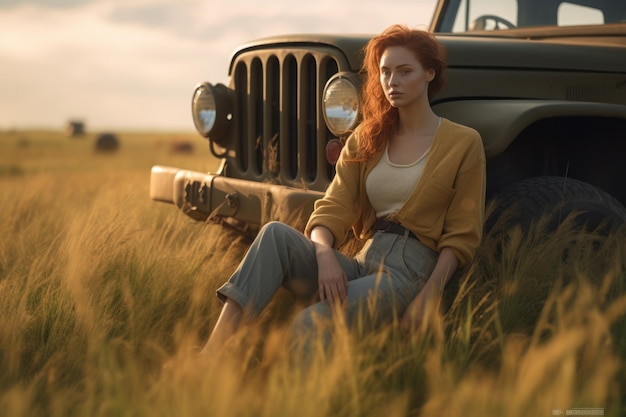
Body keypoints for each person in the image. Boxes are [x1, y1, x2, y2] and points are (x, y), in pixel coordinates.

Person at [200, 24, 486, 356]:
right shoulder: (368, 137)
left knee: (310, 323)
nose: (393, 81)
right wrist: (325, 258)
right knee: (274, 235)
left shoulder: (463, 142)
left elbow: (462, 236)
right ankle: (210, 358)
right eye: (386, 72)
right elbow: (332, 207)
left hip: (409, 274)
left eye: (405, 71)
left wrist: (429, 297)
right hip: (363, 260)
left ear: (429, 73)